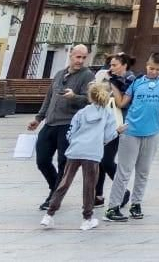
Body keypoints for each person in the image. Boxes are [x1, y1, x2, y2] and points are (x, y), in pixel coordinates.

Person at [40, 80, 121, 231]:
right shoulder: (107, 114)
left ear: (90, 97)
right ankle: (87, 218)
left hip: (75, 150)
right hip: (92, 153)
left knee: (65, 182)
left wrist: (75, 142)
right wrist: (118, 131)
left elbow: (71, 132)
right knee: (89, 186)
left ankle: (49, 215)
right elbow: (108, 136)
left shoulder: (82, 112)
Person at [29, 43, 96, 210]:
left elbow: (90, 99)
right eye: (77, 57)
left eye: (83, 57)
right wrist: (39, 118)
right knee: (42, 160)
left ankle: (54, 197)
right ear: (70, 55)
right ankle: (54, 186)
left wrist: (74, 97)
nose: (80, 60)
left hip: (68, 124)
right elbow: (49, 97)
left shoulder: (87, 76)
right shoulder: (59, 74)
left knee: (63, 161)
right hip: (50, 122)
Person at [105, 52, 159, 222]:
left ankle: (136, 203)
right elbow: (122, 103)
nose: (153, 72)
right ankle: (113, 207)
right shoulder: (136, 82)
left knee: (144, 171)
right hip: (131, 131)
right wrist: (113, 85)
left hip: (152, 132)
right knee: (124, 171)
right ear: (146, 65)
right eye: (151, 68)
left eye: (157, 69)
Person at [94, 52, 132, 198]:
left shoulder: (129, 79)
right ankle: (98, 195)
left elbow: (120, 102)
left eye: (115, 65)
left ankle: (123, 192)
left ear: (124, 66)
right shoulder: (110, 77)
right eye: (110, 65)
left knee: (107, 161)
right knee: (99, 159)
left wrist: (113, 84)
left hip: (119, 123)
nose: (111, 68)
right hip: (104, 122)